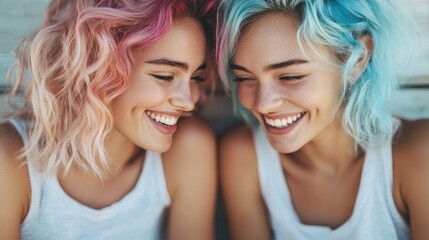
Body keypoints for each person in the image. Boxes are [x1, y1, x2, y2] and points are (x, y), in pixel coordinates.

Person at [0, 0, 218, 239]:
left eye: (196, 77)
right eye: (165, 76)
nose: (188, 102)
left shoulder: (189, 147)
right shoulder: (10, 162)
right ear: (99, 66)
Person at [217, 0, 429, 239]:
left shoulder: (418, 154)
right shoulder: (244, 155)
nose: (262, 104)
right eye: (244, 78)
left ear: (357, 58)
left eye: (289, 76)